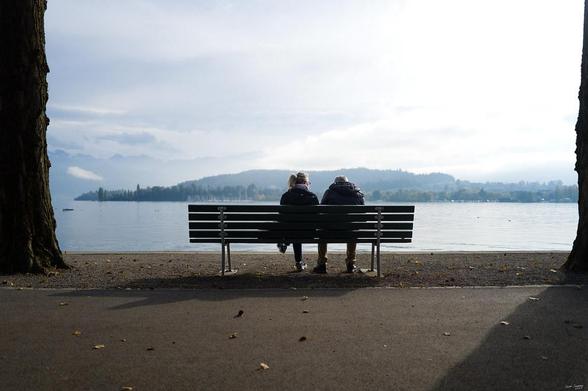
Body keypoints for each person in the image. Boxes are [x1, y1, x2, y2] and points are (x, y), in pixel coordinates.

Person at [313, 175, 364, 273]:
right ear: (348, 183)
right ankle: (351, 263)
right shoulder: (357, 193)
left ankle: (322, 264)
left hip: (330, 230)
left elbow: (321, 211)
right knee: (353, 230)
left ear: (335, 183)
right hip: (350, 230)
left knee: (321, 232)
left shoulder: (329, 192)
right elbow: (362, 216)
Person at [278, 172, 319, 271]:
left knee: (294, 229)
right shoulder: (312, 197)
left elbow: (282, 217)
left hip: (290, 233)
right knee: (299, 229)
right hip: (310, 233)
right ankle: (317, 263)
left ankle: (297, 261)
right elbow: (318, 217)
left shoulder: (286, 196)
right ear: (305, 182)